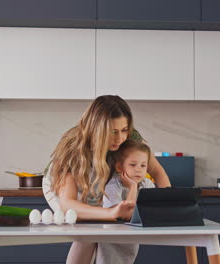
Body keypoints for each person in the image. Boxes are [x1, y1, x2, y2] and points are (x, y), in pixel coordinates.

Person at [42, 95, 171, 264]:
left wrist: (169, 205)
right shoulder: (73, 147)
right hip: (68, 187)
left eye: (124, 130)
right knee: (87, 231)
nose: (120, 139)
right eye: (112, 132)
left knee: (115, 230)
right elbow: (68, 205)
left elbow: (157, 172)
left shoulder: (130, 138)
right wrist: (110, 213)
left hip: (104, 180)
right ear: (97, 129)